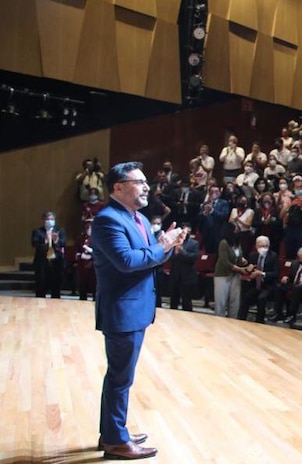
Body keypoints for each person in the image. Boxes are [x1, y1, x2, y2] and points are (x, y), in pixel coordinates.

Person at [93, 161, 187, 459]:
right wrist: (162, 246)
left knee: (120, 376)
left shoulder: (140, 220)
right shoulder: (108, 220)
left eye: (147, 181)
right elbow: (128, 262)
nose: (147, 187)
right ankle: (115, 441)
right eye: (140, 182)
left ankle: (112, 431)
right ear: (118, 187)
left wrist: (168, 245)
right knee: (120, 377)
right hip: (122, 311)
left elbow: (150, 258)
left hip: (137, 308)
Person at [240, 235, 279, 323]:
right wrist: (249, 270)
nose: (263, 248)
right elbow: (249, 272)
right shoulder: (253, 255)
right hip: (255, 285)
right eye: (261, 246)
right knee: (246, 297)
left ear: (268, 246)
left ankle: (259, 321)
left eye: (265, 246)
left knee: (261, 298)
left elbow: (276, 274)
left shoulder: (273, 256)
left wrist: (261, 273)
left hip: (268, 285)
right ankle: (241, 319)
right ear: (256, 246)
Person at [213, 223, 248, 318]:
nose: (237, 232)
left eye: (238, 230)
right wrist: (240, 269)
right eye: (235, 230)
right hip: (223, 274)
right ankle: (218, 320)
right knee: (221, 301)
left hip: (235, 275)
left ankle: (233, 320)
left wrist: (244, 262)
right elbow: (225, 262)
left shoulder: (237, 244)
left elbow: (239, 258)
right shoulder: (223, 243)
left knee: (235, 301)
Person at [31, 211, 66, 298]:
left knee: (56, 287)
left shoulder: (60, 231)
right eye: (47, 219)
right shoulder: (37, 231)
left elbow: (63, 243)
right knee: (40, 287)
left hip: (56, 262)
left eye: (52, 219)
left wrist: (56, 240)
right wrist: (46, 240)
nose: (50, 221)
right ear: (43, 220)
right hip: (42, 262)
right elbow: (34, 244)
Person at [168, 223, 199, 312]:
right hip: (175, 274)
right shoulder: (174, 242)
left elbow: (193, 257)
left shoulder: (194, 243)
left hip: (187, 276)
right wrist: (176, 253)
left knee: (186, 302)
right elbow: (169, 257)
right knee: (173, 301)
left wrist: (182, 252)